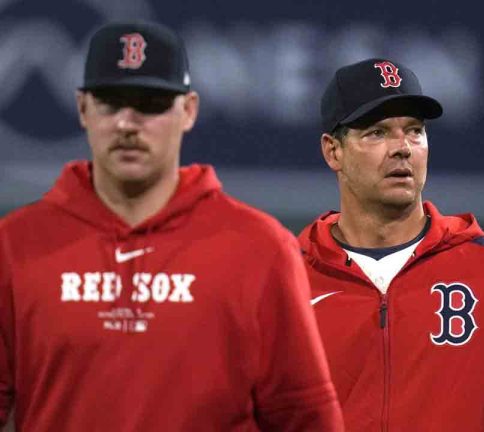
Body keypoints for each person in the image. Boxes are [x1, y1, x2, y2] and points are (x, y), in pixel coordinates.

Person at [0, 21, 342, 431]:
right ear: (82, 108)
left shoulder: (259, 248)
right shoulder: (16, 246)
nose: (128, 123)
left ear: (189, 110)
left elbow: (303, 417)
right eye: (111, 102)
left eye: (151, 103)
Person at [298, 58, 484, 432]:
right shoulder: (287, 280)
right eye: (377, 132)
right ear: (333, 152)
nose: (402, 147)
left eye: (415, 131)